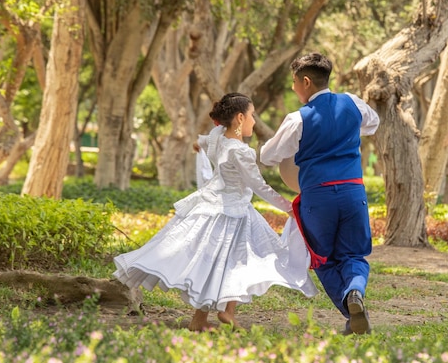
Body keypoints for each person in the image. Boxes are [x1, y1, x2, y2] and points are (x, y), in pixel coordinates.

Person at [113, 93, 317, 332]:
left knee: (224, 263)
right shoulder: (240, 152)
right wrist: (288, 207)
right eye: (252, 115)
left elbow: (203, 141)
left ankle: (212, 316)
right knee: (236, 261)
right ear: (240, 118)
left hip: (213, 205)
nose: (254, 121)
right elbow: (259, 186)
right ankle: (217, 314)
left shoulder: (218, 136)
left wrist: (198, 144)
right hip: (233, 212)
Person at [260, 53, 380, 335]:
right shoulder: (352, 102)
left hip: (318, 198)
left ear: (305, 82)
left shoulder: (297, 119)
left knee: (322, 258)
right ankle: (354, 292)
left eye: (293, 83)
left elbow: (268, 156)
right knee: (354, 255)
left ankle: (349, 307)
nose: (292, 89)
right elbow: (372, 124)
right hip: (353, 192)